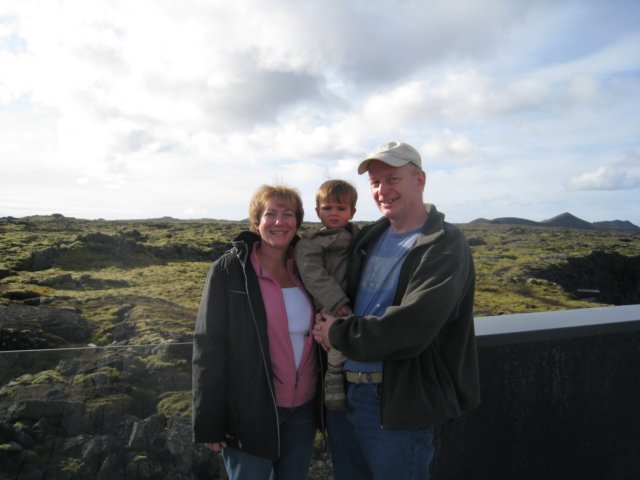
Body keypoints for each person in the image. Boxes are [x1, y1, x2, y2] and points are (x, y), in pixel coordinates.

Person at [313, 141, 481, 480]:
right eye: (375, 182)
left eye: (392, 179)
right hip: (345, 394)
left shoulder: (444, 244)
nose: (382, 190)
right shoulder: (370, 238)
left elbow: (411, 327)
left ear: (419, 180)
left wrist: (337, 332)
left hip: (397, 403)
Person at [192, 184, 318, 480]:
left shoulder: (308, 269)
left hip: (303, 411)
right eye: (270, 214)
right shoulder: (229, 270)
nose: (279, 222)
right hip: (250, 411)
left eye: (288, 214)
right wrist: (209, 421)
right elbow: (208, 346)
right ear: (256, 221)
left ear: (297, 221)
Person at [294, 179, 359, 410]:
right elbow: (313, 274)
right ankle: (334, 375)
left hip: (352, 298)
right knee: (335, 329)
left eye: (341, 208)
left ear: (352, 212)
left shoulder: (358, 237)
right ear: (317, 212)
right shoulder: (310, 244)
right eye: (327, 208)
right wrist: (335, 301)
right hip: (330, 302)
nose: (333, 213)